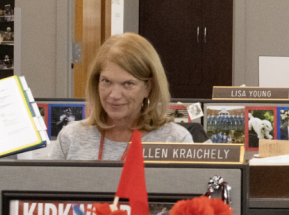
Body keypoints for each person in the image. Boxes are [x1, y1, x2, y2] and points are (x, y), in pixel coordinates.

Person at [45, 33, 192, 160]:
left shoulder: (175, 140)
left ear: (148, 87)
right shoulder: (71, 137)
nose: (114, 95)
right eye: (106, 81)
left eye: (128, 84)